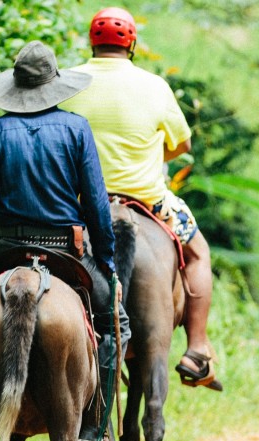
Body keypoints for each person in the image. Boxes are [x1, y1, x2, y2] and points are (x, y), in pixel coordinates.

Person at [0, 41, 131, 441]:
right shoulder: (77, 129)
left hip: (6, 246)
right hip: (64, 249)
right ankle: (95, 429)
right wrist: (108, 263)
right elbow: (97, 205)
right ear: (53, 85)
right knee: (116, 324)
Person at [59, 7, 222, 391]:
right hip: (148, 201)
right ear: (131, 44)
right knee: (198, 250)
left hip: (80, 204)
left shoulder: (67, 83)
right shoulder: (154, 85)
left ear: (91, 42)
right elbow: (181, 143)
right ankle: (197, 346)